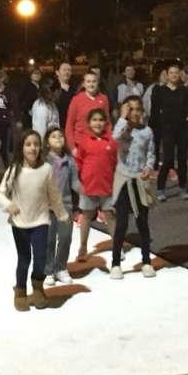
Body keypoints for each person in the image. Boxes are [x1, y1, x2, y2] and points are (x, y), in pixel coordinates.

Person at [0, 130, 69, 311]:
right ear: (21, 147)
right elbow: (0, 194)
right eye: (28, 144)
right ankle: (20, 290)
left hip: (40, 221)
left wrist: (62, 214)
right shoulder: (14, 169)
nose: (32, 148)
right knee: (24, 258)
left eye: (36, 144)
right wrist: (8, 204)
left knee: (40, 257)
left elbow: (54, 196)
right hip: (20, 222)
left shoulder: (46, 170)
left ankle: (37, 288)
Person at [109, 98, 157, 280]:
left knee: (142, 222)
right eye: (131, 110)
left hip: (140, 179)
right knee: (121, 223)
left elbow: (151, 153)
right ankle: (115, 264)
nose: (135, 113)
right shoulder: (122, 129)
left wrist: (148, 168)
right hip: (123, 179)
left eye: (138, 109)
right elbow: (114, 137)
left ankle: (146, 261)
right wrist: (123, 118)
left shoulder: (147, 131)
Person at [75, 108, 118, 261]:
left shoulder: (112, 142)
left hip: (107, 186)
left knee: (110, 216)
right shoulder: (84, 141)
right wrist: (79, 182)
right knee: (86, 216)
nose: (98, 123)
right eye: (94, 120)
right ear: (88, 123)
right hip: (88, 186)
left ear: (106, 122)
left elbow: (115, 162)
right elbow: (78, 162)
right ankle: (83, 247)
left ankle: (117, 246)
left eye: (101, 120)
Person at [151, 63, 188, 201]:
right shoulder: (160, 90)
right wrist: (153, 127)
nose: (174, 75)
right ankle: (160, 189)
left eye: (176, 73)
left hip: (182, 128)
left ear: (179, 75)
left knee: (182, 159)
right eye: (171, 73)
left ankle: (183, 188)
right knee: (168, 159)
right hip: (167, 129)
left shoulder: (184, 90)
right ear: (167, 75)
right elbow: (154, 110)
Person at [43, 126, 81, 288]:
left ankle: (61, 267)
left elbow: (75, 182)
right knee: (49, 240)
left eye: (60, 136)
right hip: (46, 207)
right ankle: (48, 270)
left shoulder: (70, 161)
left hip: (65, 205)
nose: (58, 138)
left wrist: (85, 191)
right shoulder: (43, 161)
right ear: (47, 142)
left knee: (65, 237)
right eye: (53, 136)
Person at [66, 70, 109, 164]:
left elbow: (107, 123)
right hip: (80, 145)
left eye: (94, 81)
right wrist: (73, 148)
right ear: (84, 84)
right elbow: (69, 125)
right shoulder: (76, 100)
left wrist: (107, 142)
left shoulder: (104, 99)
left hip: (98, 144)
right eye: (88, 81)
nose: (91, 84)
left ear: (98, 83)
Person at [51, 62, 76, 128]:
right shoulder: (53, 89)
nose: (67, 72)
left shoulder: (74, 89)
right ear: (57, 72)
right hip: (57, 126)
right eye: (64, 70)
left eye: (69, 70)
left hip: (72, 125)